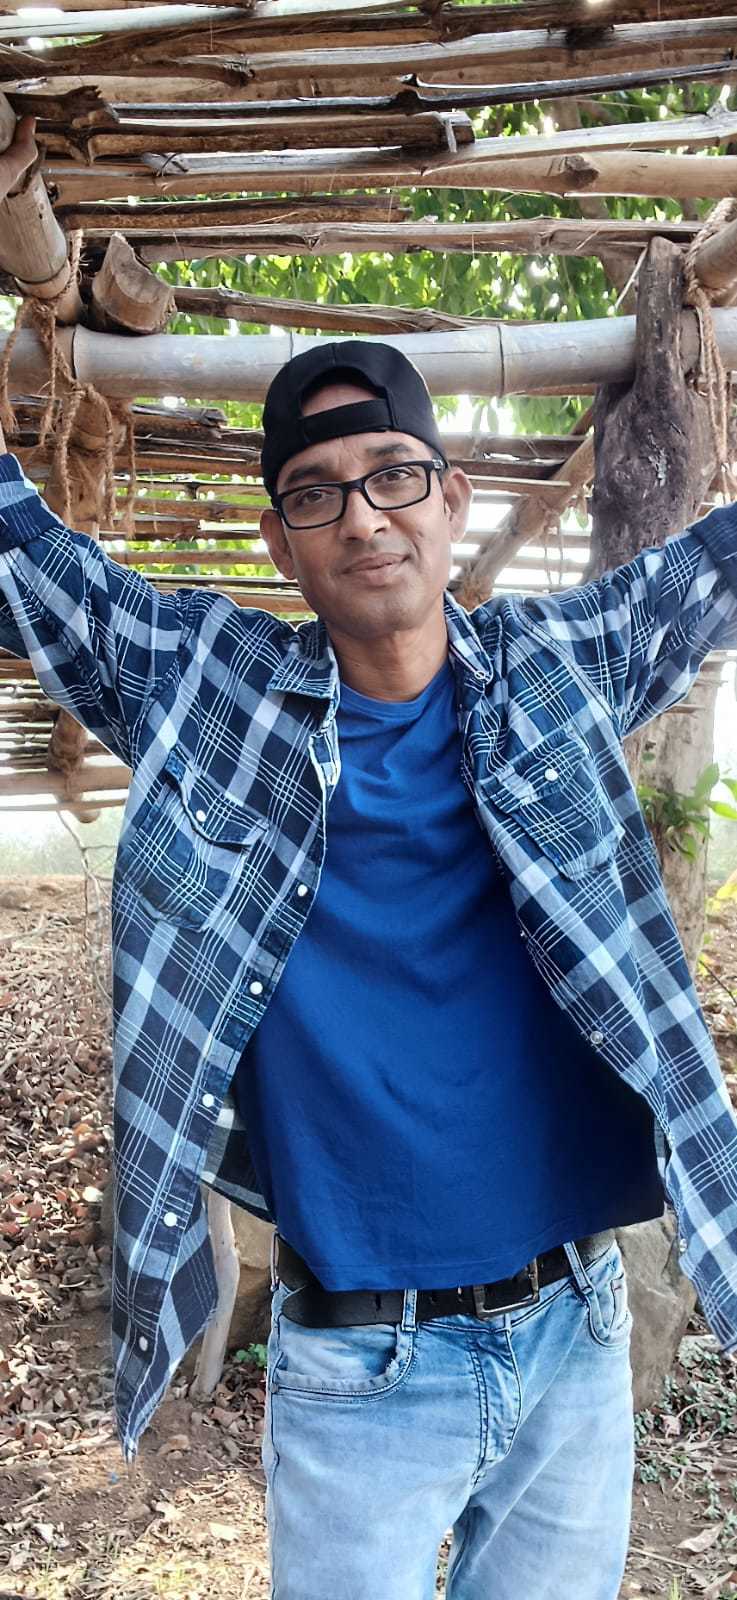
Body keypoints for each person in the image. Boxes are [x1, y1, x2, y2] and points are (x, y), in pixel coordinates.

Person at [1, 122, 736, 1600]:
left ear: (453, 500)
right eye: (317, 491)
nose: (363, 514)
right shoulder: (205, 687)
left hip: (576, 1334)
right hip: (357, 1373)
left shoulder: (563, 666)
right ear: (283, 543)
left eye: (396, 474)